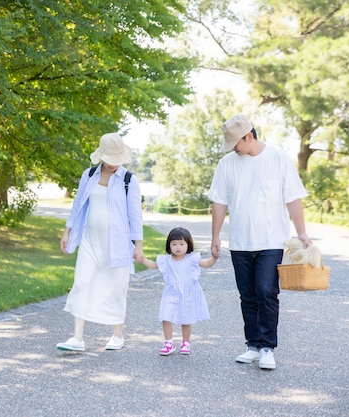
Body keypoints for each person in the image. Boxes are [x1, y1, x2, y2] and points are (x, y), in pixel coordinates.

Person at [207, 114, 312, 370]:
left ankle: (267, 347)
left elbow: (293, 199)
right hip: (240, 242)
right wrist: (215, 236)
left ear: (249, 136)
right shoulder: (227, 164)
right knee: (247, 296)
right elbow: (219, 202)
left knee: (267, 291)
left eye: (236, 142)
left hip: (271, 240)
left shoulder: (278, 159)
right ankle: (252, 345)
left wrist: (302, 232)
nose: (234, 148)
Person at [57, 132, 144, 352]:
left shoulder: (128, 180)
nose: (114, 164)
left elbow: (136, 215)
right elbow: (77, 205)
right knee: (82, 282)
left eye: (117, 159)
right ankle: (77, 338)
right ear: (101, 156)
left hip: (117, 244)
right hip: (90, 241)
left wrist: (139, 246)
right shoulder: (89, 175)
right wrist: (67, 231)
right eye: (110, 159)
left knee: (116, 288)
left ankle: (117, 335)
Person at [138, 227, 217, 356]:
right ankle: (168, 342)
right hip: (171, 292)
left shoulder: (192, 259)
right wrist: (143, 260)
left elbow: (207, 263)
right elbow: (154, 265)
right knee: (166, 316)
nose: (177, 247)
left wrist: (214, 258)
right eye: (174, 244)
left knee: (186, 318)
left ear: (188, 245)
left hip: (187, 294)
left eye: (181, 244)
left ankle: (186, 342)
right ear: (169, 245)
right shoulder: (166, 260)